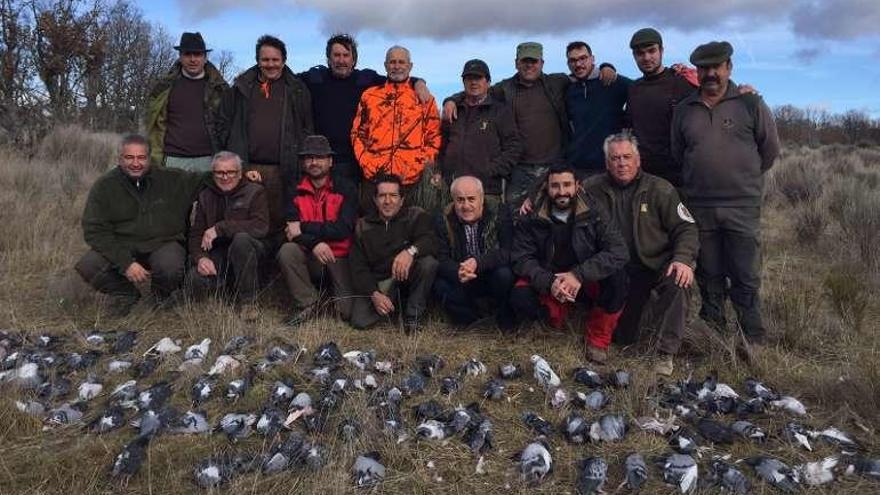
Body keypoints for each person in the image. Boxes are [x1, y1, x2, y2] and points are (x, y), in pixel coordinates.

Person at [671, 40, 780, 344]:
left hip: (741, 205)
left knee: (745, 273)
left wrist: (742, 180)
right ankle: (713, 331)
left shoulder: (751, 104)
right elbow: (678, 153)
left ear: (728, 68)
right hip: (700, 205)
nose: (710, 74)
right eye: (703, 68)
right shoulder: (684, 110)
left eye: (716, 67)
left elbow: (769, 151)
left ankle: (752, 337)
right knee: (709, 271)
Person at [443, 42, 616, 207]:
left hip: (554, 166)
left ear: (542, 63)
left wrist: (606, 66)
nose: (529, 66)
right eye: (525, 61)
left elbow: (583, 74)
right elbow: (478, 90)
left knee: (557, 213)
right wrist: (451, 100)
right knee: (515, 215)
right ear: (516, 63)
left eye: (533, 61)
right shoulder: (505, 89)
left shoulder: (557, 82)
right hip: (521, 169)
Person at [583, 133, 699, 375]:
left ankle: (664, 353)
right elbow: (558, 198)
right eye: (615, 158)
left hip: (653, 266)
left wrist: (682, 259)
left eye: (627, 157)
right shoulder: (591, 189)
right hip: (615, 271)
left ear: (638, 160)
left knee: (680, 280)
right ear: (607, 163)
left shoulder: (661, 189)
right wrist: (532, 199)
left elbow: (686, 227)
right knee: (626, 338)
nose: (621, 163)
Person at [75, 134, 211, 315]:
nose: (135, 163)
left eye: (141, 157)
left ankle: (160, 296)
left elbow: (212, 178)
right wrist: (126, 263)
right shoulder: (105, 186)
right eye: (129, 157)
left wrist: (244, 171)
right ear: (120, 158)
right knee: (88, 265)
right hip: (124, 245)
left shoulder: (172, 179)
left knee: (170, 266)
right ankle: (126, 294)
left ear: (149, 158)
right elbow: (94, 231)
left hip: (163, 243)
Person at [510, 163, 628, 363]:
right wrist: (549, 282)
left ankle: (597, 340)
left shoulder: (594, 211)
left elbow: (619, 251)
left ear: (577, 186)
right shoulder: (532, 214)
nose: (561, 191)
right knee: (519, 296)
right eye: (555, 186)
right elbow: (521, 258)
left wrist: (578, 275)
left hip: (585, 278)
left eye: (567, 185)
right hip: (550, 278)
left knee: (618, 278)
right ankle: (549, 319)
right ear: (547, 187)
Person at [299, 34, 433, 189]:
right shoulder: (315, 78)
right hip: (320, 161)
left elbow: (397, 78)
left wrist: (419, 83)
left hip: (354, 163)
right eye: (336, 55)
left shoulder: (365, 79)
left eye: (346, 55)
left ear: (354, 59)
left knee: (351, 208)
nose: (341, 60)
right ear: (328, 59)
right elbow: (287, 80)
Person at [216, 34, 313, 237]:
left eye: (275, 60)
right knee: (248, 223)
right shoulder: (240, 88)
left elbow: (306, 128)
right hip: (248, 169)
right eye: (265, 60)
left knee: (280, 224)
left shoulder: (297, 90)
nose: (270, 65)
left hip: (284, 169)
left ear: (284, 61)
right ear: (257, 61)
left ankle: (276, 266)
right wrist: (238, 163)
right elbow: (223, 126)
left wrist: (300, 163)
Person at [276, 135, 357, 325]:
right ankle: (308, 303)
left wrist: (304, 227)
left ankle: (328, 298)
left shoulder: (346, 187)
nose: (314, 162)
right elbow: (290, 232)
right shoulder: (294, 190)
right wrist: (314, 243)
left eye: (319, 157)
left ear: (330, 161)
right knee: (287, 251)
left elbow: (343, 229)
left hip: (339, 256)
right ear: (304, 163)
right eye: (309, 158)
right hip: (309, 254)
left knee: (345, 313)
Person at [351, 45, 441, 211]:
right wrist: (367, 163)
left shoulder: (424, 97)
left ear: (410, 66)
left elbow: (434, 136)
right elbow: (357, 133)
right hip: (375, 179)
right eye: (392, 62)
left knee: (411, 229)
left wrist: (418, 165)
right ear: (385, 65)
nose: (397, 66)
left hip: (410, 180)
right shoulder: (370, 96)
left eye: (401, 62)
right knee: (371, 229)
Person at [349, 174, 438, 333]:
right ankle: (392, 306)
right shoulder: (362, 226)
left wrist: (410, 252)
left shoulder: (416, 215)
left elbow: (430, 240)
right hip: (381, 281)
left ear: (402, 200)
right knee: (359, 321)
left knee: (428, 263)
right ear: (375, 200)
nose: (388, 201)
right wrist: (374, 293)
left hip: (409, 274)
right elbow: (358, 267)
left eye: (393, 196)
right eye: (382, 196)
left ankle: (413, 317)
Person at [185, 151, 269, 320]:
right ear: (213, 174)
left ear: (239, 174)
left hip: (251, 251)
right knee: (194, 279)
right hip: (220, 252)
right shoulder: (205, 196)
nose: (225, 177)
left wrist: (221, 228)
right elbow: (196, 234)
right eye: (220, 173)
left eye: (231, 172)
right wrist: (201, 258)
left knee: (241, 240)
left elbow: (261, 227)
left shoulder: (255, 192)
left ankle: (248, 303)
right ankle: (225, 288)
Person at [437, 59, 521, 213]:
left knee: (488, 234)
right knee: (451, 233)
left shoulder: (500, 111)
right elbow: (442, 145)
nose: (473, 82)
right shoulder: (453, 111)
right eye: (469, 78)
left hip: (486, 190)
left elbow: (514, 148)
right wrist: (441, 170)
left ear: (488, 82)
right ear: (463, 82)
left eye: (478, 78)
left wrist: (491, 170)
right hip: (452, 189)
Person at [433, 176, 515, 330]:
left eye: (471, 199)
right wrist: (459, 271)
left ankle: (502, 317)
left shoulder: (500, 212)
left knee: (505, 275)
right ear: (453, 201)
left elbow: (508, 251)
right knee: (440, 285)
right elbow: (441, 258)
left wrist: (479, 263)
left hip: (490, 271)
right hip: (463, 276)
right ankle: (474, 320)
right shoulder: (443, 218)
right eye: (460, 200)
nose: (466, 205)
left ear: (482, 199)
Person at [625, 28, 699, 187]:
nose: (646, 57)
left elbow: (714, 92)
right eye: (640, 53)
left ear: (662, 51)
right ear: (634, 56)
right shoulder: (633, 89)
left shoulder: (682, 82)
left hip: (679, 177)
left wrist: (741, 91)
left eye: (652, 51)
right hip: (644, 176)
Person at [146, 32, 229, 171]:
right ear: (180, 57)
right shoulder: (163, 88)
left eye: (197, 55)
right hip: (172, 160)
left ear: (205, 58)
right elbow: (154, 125)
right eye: (187, 54)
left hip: (209, 160)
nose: (192, 59)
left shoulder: (220, 89)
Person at [565, 41, 632, 177]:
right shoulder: (568, 90)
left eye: (583, 58)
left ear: (592, 59)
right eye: (573, 60)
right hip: (578, 168)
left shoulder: (612, 81)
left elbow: (644, 88)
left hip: (610, 167)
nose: (578, 64)